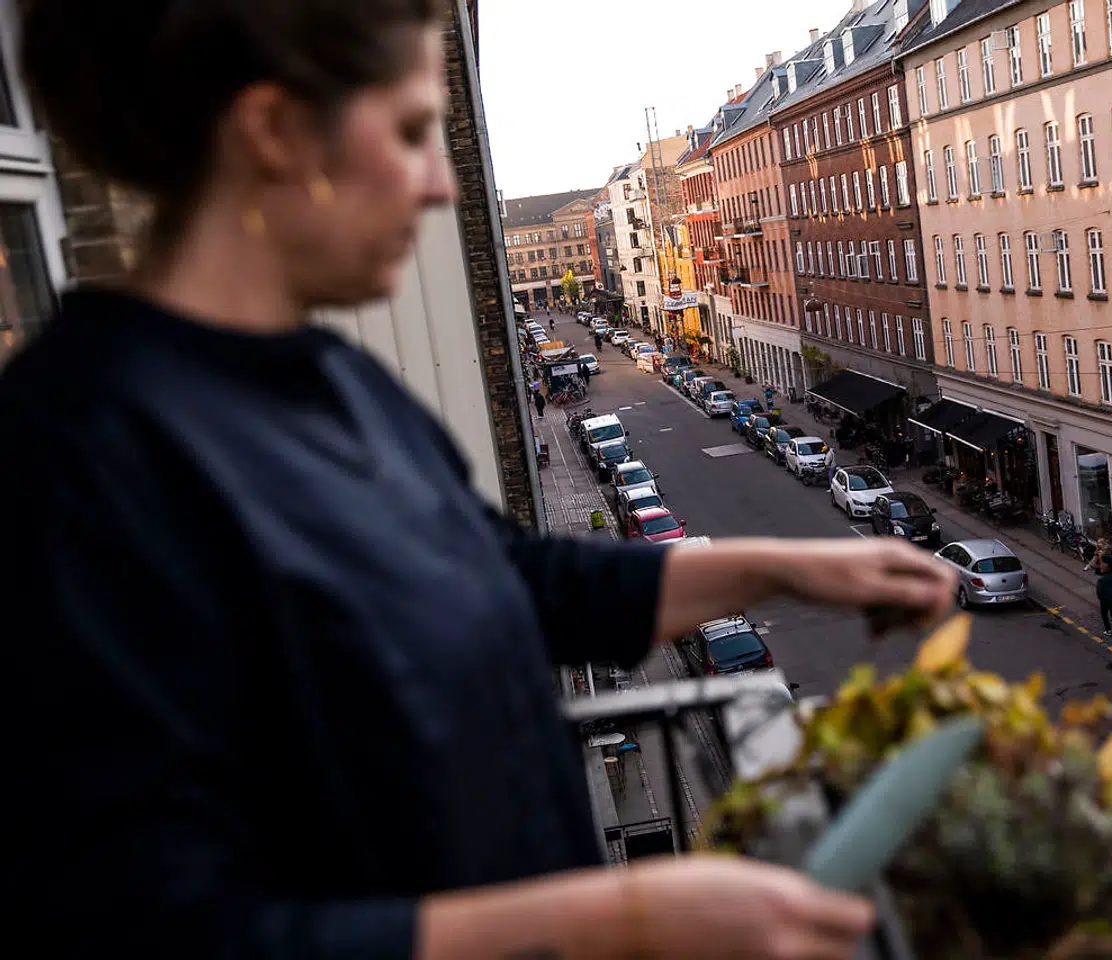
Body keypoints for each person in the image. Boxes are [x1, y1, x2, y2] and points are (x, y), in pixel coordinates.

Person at [2, 2, 960, 958]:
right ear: (277, 133)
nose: (441, 188)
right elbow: (157, 923)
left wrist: (789, 570)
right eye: (414, 132)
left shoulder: (335, 380)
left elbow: (518, 582)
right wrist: (622, 918)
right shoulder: (80, 462)